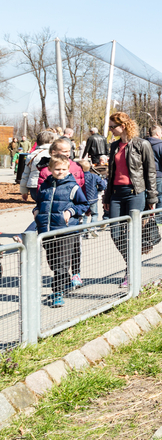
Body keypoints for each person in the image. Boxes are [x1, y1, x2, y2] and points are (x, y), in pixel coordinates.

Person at [102, 111, 159, 289]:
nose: (111, 130)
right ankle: (132, 264)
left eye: (113, 126)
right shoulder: (114, 146)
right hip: (116, 194)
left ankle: (130, 271)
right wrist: (107, 196)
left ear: (123, 126)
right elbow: (110, 175)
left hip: (136, 193)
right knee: (116, 233)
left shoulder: (142, 144)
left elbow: (150, 172)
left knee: (133, 232)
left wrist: (152, 197)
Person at [32, 154, 90, 307]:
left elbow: (84, 205)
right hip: (46, 231)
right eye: (57, 169)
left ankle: (57, 293)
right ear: (50, 169)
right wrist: (36, 211)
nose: (60, 172)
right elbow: (40, 203)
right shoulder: (45, 185)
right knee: (52, 262)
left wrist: (70, 211)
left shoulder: (73, 186)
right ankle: (65, 282)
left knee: (61, 264)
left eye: (64, 169)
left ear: (68, 169)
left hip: (66, 231)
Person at [20, 130, 57, 202]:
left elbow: (25, 174)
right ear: (51, 142)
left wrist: (24, 191)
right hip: (49, 184)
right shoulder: (54, 154)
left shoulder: (31, 155)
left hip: (33, 185)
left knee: (40, 205)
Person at [147, 126, 162, 222]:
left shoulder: (144, 144)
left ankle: (146, 218)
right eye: (161, 133)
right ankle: (158, 219)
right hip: (158, 174)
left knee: (146, 196)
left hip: (146, 175)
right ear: (157, 134)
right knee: (160, 197)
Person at [79, 158, 106, 238]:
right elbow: (102, 185)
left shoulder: (80, 177)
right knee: (94, 214)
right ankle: (93, 228)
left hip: (83, 198)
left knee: (84, 216)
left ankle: (83, 232)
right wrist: (99, 190)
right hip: (93, 198)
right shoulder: (94, 176)